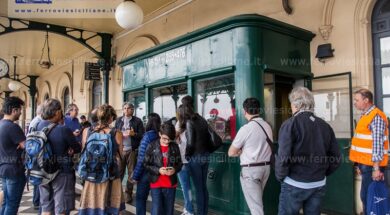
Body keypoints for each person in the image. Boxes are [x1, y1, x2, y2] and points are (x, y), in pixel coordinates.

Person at [275, 87, 341, 215]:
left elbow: (283, 157)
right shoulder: (325, 126)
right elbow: (336, 158)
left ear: (296, 104)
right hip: (318, 184)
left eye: (291, 104)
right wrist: (322, 172)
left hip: (294, 183)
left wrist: (281, 177)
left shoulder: (290, 124)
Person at [228, 98, 273, 215]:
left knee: (256, 208)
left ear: (245, 111)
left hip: (251, 171)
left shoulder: (246, 129)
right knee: (257, 204)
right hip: (266, 168)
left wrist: (240, 152)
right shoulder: (267, 126)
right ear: (258, 109)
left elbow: (231, 152)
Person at [37, 99, 82, 215]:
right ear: (57, 112)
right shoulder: (63, 129)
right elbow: (77, 148)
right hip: (61, 171)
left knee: (46, 207)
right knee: (61, 207)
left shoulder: (38, 125)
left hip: (42, 170)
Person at [79, 104, 125, 215]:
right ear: (110, 118)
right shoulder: (116, 133)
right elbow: (121, 155)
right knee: (113, 207)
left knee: (92, 206)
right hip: (110, 175)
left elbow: (83, 151)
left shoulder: (87, 131)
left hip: (92, 173)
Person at [349, 88, 389, 213]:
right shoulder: (365, 116)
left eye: (357, 100)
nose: (354, 102)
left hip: (371, 165)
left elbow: (377, 143)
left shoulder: (375, 116)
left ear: (366, 100)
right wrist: (358, 164)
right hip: (364, 164)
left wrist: (376, 168)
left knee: (370, 198)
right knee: (366, 197)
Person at [182, 95, 212, 215]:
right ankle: (204, 212)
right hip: (205, 155)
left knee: (199, 189)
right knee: (203, 187)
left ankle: (201, 213)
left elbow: (190, 143)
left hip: (195, 157)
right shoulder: (202, 119)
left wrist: (187, 156)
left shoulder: (190, 121)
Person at [144, 123, 182, 215]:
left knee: (169, 211)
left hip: (170, 184)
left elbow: (179, 163)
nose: (167, 141)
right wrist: (158, 170)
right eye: (164, 138)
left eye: (169, 139)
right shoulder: (151, 145)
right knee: (156, 210)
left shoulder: (174, 146)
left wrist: (174, 170)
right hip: (156, 183)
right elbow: (145, 164)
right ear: (160, 134)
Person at [0, 96, 26, 215]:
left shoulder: (1, 124)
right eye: (20, 110)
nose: (21, 112)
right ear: (14, 110)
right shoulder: (13, 127)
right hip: (14, 169)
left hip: (3, 168)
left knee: (6, 202)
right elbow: (27, 146)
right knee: (12, 204)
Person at [131, 113, 161, 215]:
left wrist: (135, 175)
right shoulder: (161, 135)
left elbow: (141, 159)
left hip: (146, 172)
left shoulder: (147, 136)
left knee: (140, 198)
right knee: (156, 201)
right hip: (158, 172)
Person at [115, 102, 145, 203]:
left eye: (129, 108)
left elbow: (142, 135)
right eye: (125, 108)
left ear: (132, 110)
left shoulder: (138, 121)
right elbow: (115, 133)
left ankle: (128, 194)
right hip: (121, 150)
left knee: (131, 173)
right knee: (119, 172)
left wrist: (133, 133)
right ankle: (117, 193)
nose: (127, 110)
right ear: (123, 110)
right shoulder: (119, 120)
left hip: (132, 150)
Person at [176, 105, 194, 215]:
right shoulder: (193, 123)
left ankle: (189, 209)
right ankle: (189, 208)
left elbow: (177, 141)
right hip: (194, 159)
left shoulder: (179, 124)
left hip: (183, 160)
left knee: (186, 187)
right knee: (196, 186)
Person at [28, 104, 44, 210]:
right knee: (38, 178)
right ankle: (37, 202)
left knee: (37, 178)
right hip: (36, 153)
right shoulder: (38, 122)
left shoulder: (35, 121)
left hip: (34, 153)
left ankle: (36, 201)